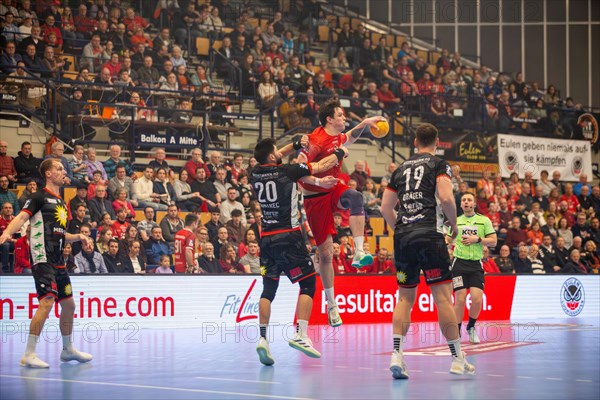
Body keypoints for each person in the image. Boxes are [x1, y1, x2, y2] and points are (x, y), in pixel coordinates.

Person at [380, 123, 475, 379]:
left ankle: (397, 355)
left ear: (414, 142)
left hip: (403, 238)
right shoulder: (438, 164)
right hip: (430, 235)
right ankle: (456, 358)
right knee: (443, 298)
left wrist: (399, 228)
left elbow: (385, 208)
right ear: (437, 142)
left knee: (404, 299)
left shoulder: (399, 169)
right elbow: (445, 199)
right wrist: (455, 227)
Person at [250, 138, 346, 365]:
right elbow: (322, 167)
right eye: (276, 151)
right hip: (289, 236)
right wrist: (340, 152)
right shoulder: (289, 171)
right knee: (308, 284)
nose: (279, 152)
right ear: (273, 157)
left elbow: (271, 155)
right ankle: (301, 334)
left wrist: (293, 145)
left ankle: (263, 339)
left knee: (268, 290)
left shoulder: (254, 173)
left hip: (267, 239)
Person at [296, 99, 384, 327]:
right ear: (329, 119)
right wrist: (318, 181)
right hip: (315, 196)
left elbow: (351, 136)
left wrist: (365, 122)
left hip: (333, 187)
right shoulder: (314, 141)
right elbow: (297, 171)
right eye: (341, 115)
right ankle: (332, 304)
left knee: (356, 197)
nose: (344, 118)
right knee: (325, 255)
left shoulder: (338, 137)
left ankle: (358, 251)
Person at [0, 158, 93, 368]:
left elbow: (60, 234)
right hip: (42, 258)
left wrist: (79, 236)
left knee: (69, 305)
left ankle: (68, 349)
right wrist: (6, 233)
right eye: (58, 168)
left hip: (59, 260)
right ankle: (29, 354)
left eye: (63, 168)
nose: (63, 171)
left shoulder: (61, 202)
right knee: (47, 301)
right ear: (48, 174)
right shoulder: (38, 196)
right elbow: (22, 218)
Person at [448, 192, 497, 344]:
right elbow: (448, 239)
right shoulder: (455, 221)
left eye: (469, 200)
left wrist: (479, 240)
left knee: (476, 299)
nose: (467, 202)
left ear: (474, 204)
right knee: (460, 300)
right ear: (461, 205)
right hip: (459, 264)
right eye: (464, 200)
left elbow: (494, 242)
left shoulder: (484, 221)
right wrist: (444, 240)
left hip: (476, 264)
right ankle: (456, 332)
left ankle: (471, 327)